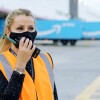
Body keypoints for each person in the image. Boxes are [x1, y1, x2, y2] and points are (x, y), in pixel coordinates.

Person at [0, 8, 58, 100]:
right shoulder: (1, 63)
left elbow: (53, 95)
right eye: (20, 28)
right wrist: (20, 65)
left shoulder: (46, 59)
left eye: (31, 28)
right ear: (8, 32)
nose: (27, 33)